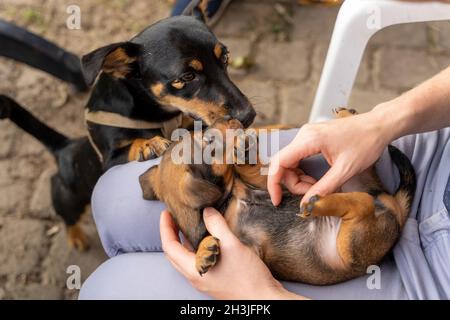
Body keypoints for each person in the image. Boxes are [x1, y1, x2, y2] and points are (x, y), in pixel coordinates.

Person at [79, 66, 450, 300]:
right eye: (211, 145)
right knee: (111, 197)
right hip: (435, 155)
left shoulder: (210, 186)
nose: (221, 135)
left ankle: (359, 205)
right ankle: (362, 195)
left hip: (421, 278)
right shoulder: (195, 183)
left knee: (105, 291)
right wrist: (381, 122)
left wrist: (260, 296)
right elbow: (163, 182)